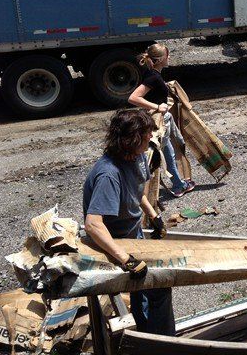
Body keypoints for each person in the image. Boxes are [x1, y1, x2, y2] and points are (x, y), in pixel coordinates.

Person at [83, 109, 175, 335]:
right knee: (159, 289)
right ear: (130, 140)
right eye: (145, 137)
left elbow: (137, 191)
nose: (149, 140)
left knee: (142, 291)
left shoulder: (138, 156)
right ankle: (162, 344)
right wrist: (126, 260)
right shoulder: (108, 174)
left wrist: (154, 216)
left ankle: (146, 331)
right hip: (114, 244)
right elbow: (93, 224)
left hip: (134, 235)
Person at [128, 43, 195, 198]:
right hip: (159, 121)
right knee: (166, 152)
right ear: (159, 60)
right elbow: (133, 98)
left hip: (165, 119)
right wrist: (157, 106)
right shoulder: (153, 76)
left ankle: (179, 183)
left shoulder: (153, 73)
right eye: (167, 55)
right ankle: (178, 186)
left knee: (175, 146)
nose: (169, 57)